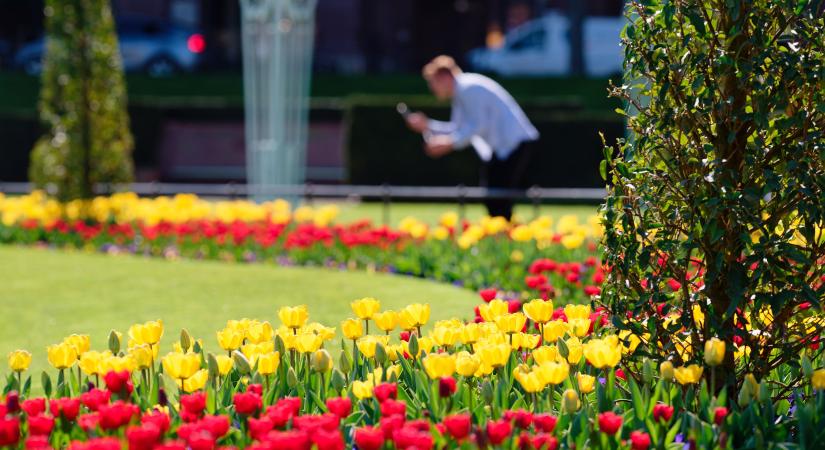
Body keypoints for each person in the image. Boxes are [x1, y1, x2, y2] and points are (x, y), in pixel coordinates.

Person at [405, 55, 539, 220]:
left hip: (515, 144)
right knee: (494, 197)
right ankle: (501, 230)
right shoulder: (462, 91)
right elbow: (459, 128)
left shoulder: (469, 88)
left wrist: (449, 143)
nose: (432, 88)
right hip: (503, 148)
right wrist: (427, 126)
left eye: (433, 82)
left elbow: (477, 126)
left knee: (499, 198)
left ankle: (505, 231)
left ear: (445, 77)